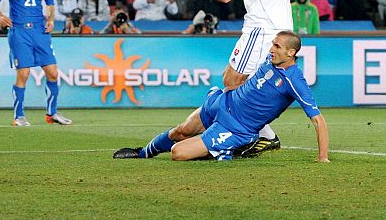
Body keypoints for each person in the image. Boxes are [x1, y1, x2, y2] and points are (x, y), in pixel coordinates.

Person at [200, 0, 351, 154]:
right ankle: (260, 133)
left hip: (261, 29)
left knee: (231, 80)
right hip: (282, 31)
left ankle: (256, 135)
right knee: (251, 84)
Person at [113, 32, 329, 163]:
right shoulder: (270, 60)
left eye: (277, 46)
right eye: (272, 44)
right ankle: (142, 153)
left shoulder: (295, 81)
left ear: (291, 53)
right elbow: (256, 82)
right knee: (181, 131)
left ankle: (229, 147)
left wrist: (323, 157)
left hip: (236, 127)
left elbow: (318, 120)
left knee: (178, 152)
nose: (271, 49)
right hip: (223, 102)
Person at [0, 0, 72, 127]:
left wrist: (51, 19)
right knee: (24, 74)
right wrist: (0, 16)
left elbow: (50, 4)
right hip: (19, 31)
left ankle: (52, 113)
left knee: (52, 73)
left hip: (40, 31)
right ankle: (18, 116)